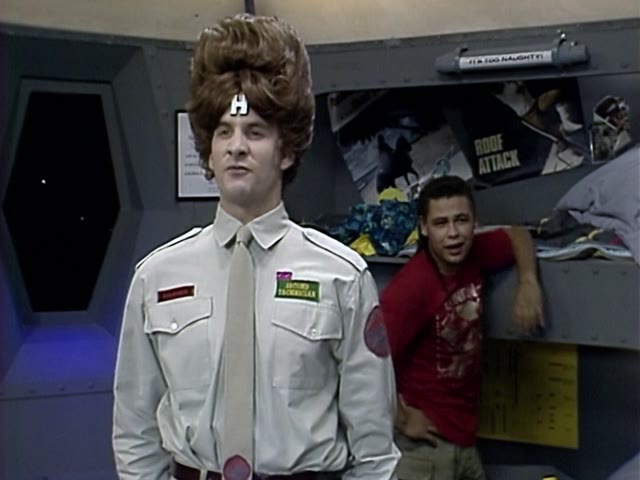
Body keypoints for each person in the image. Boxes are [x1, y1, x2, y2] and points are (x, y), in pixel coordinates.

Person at [112, 13, 400, 480]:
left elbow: (373, 448)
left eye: (255, 131)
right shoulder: (156, 276)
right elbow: (134, 429)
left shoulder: (342, 277)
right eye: (223, 131)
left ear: (286, 151)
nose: (236, 146)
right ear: (208, 151)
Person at [380, 175, 544, 480]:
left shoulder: (475, 252)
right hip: (424, 448)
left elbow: (517, 234)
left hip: (465, 439)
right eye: (441, 223)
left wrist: (528, 281)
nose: (453, 234)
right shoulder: (410, 288)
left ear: (475, 222)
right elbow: (367, 361)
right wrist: (401, 418)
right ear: (424, 227)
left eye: (461, 220)